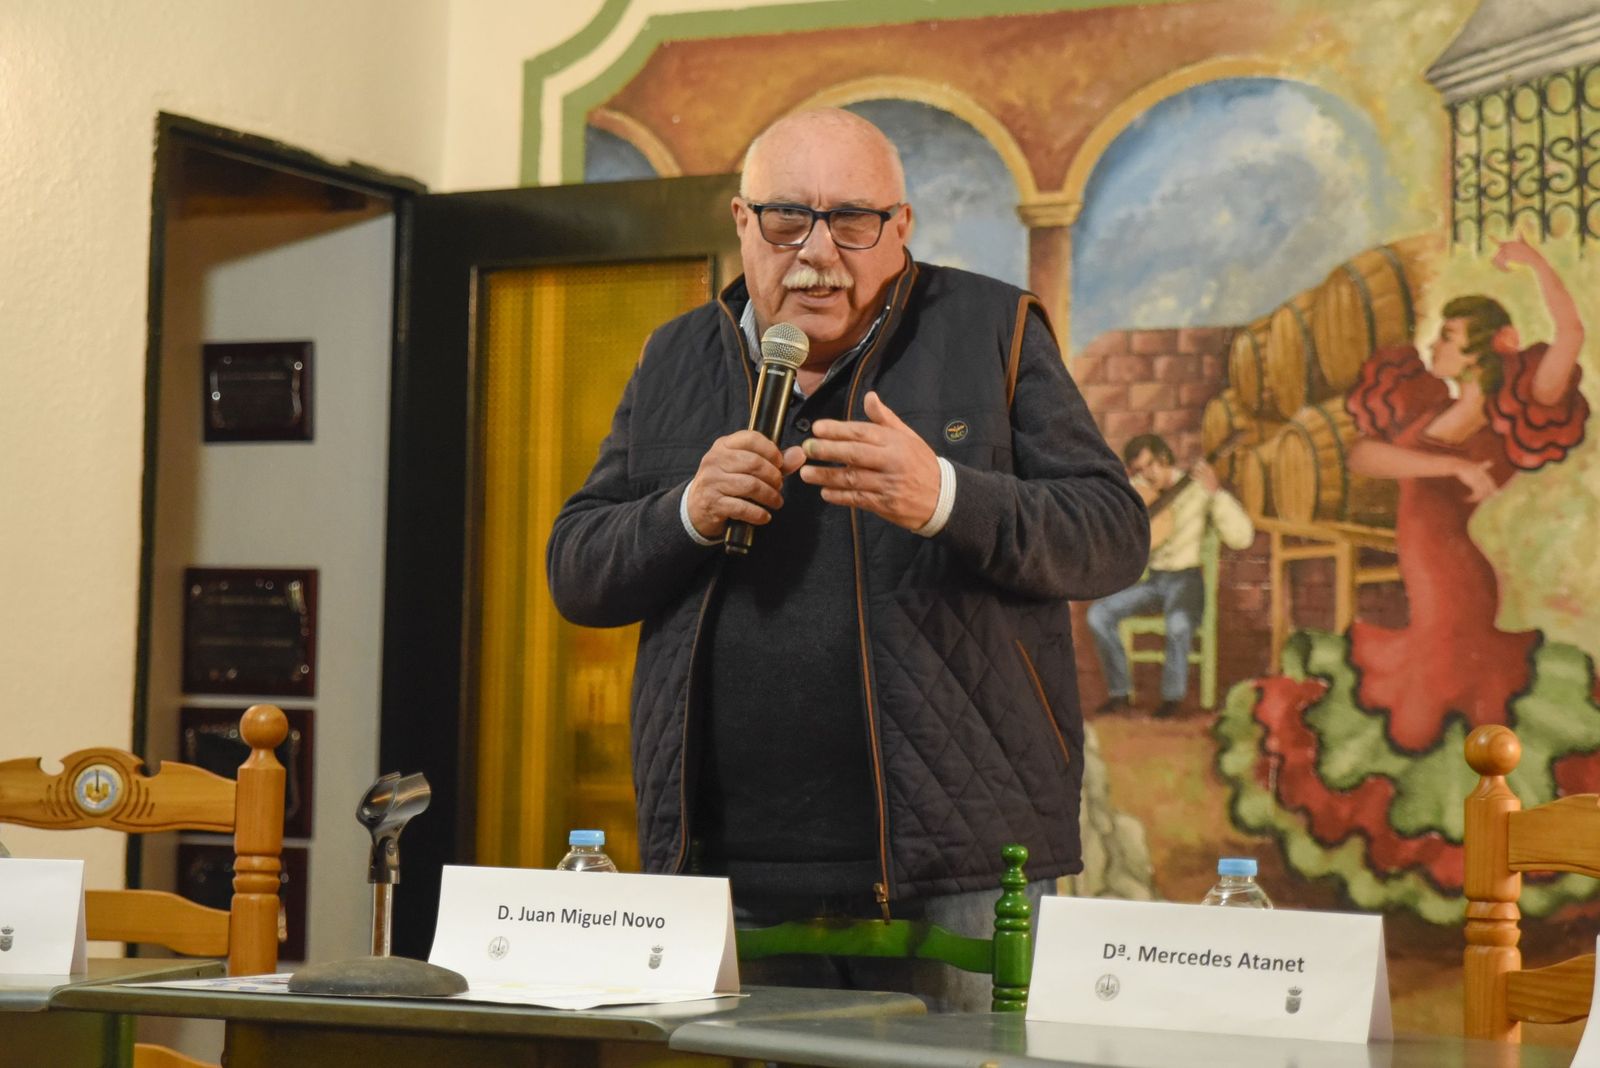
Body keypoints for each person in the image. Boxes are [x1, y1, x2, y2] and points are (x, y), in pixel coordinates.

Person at [546, 108, 1147, 1011]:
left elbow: (1111, 533)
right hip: (724, 868)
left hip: (963, 863)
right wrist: (684, 514)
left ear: (900, 229)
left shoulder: (994, 328)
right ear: (744, 224)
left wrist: (945, 495)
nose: (818, 254)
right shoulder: (673, 358)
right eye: (788, 218)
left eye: (853, 221)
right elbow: (577, 569)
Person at [1085, 434, 1255, 717]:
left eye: (1151, 465)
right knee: (1098, 614)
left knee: (1178, 624)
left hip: (1186, 581)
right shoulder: (1138, 492)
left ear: (1165, 457)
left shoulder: (1198, 489)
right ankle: (1120, 693)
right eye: (1139, 470)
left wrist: (1216, 493)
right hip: (1153, 582)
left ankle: (1171, 699)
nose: (1147, 475)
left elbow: (1243, 538)